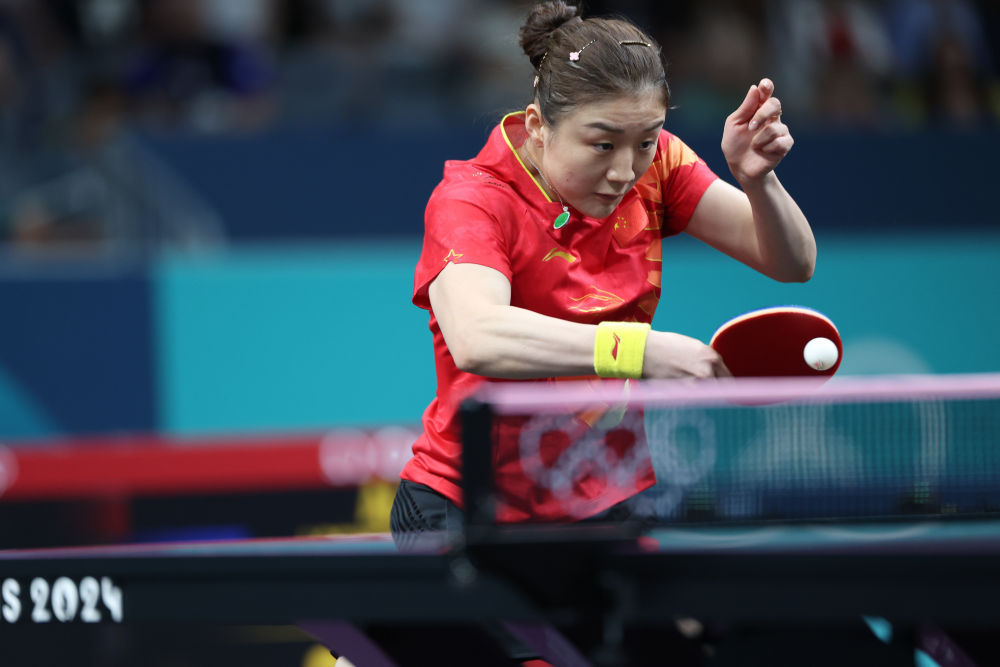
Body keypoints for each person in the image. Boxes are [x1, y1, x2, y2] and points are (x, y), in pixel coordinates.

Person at [391, 0, 815, 545]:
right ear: (539, 126)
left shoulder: (660, 165)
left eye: (645, 141)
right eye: (602, 144)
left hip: (603, 497)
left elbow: (792, 262)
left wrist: (759, 182)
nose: (624, 170)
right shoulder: (474, 200)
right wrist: (641, 351)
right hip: (468, 505)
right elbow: (478, 336)